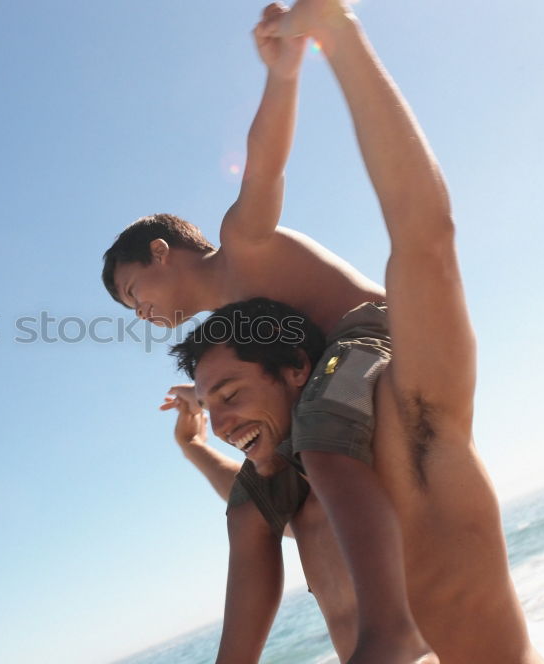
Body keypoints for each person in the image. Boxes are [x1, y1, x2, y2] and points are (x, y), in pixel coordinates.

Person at [162, 2, 544, 662]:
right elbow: (243, 493)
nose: (221, 419)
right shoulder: (297, 495)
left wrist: (341, 40)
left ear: (295, 371)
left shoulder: (412, 417)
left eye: (229, 393)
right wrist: (195, 447)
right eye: (212, 402)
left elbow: (425, 239)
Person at [103, 3, 431, 661]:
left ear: (163, 251)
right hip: (323, 375)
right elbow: (263, 378)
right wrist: (210, 409)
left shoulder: (241, 247)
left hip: (375, 337)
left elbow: (263, 165)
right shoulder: (231, 328)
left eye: (135, 293)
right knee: (252, 504)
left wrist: (283, 73)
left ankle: (390, 628)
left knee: (321, 434)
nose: (139, 313)